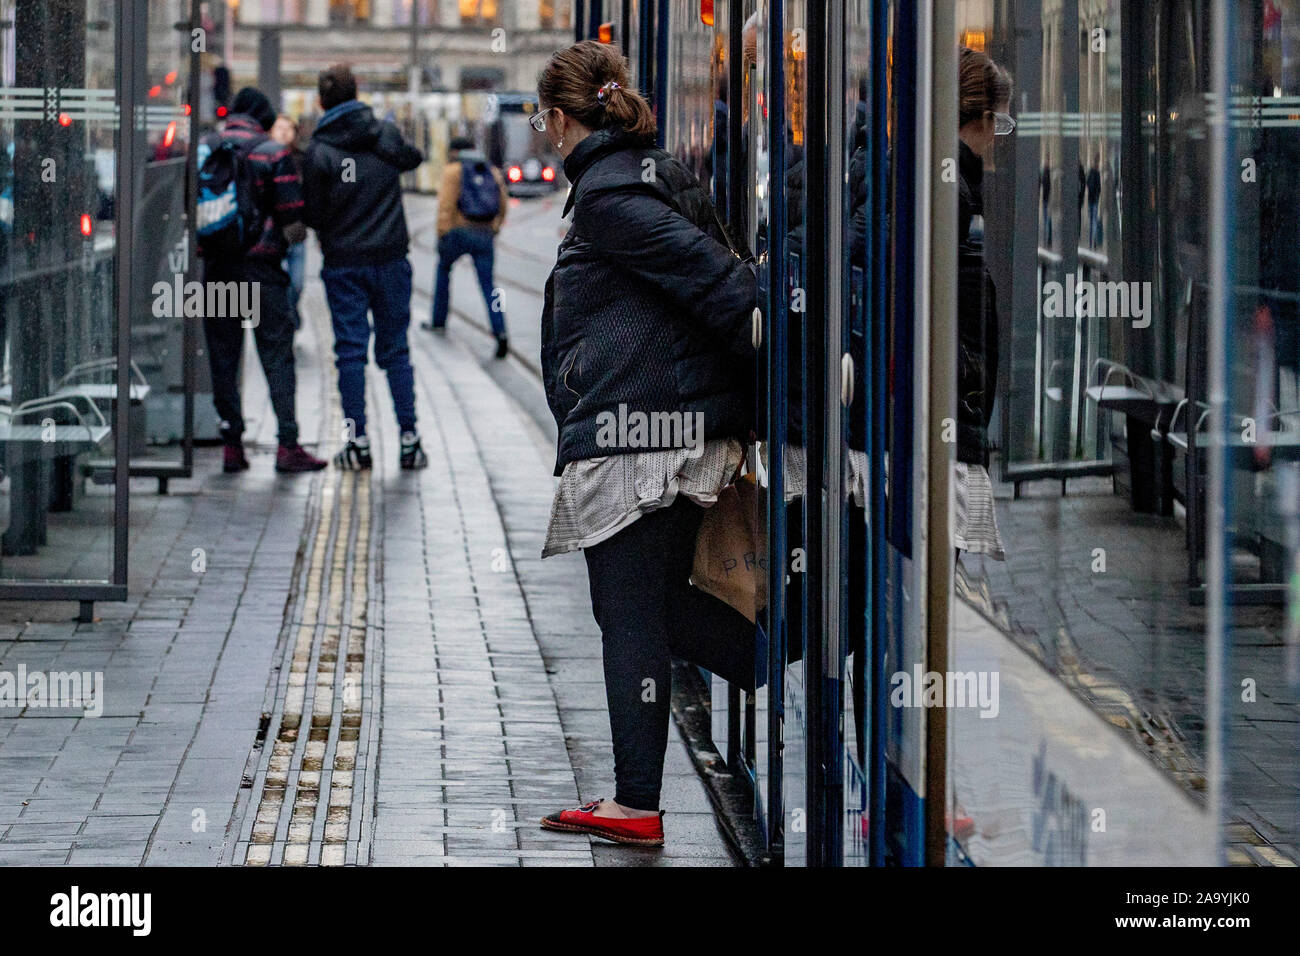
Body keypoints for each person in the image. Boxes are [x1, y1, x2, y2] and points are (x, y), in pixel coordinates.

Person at [534, 41, 758, 847]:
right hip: (660, 424)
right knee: (651, 610)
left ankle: (637, 807)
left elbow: (720, 283)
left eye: (542, 118)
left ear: (560, 117)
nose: (543, 131)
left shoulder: (610, 195)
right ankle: (786, 651)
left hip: (644, 437)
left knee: (628, 611)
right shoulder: (644, 176)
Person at [301, 64, 428, 471]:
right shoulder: (383, 135)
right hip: (391, 260)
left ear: (321, 102)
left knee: (350, 353)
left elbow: (313, 216)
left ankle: (357, 443)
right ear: (357, 93)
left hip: (344, 264)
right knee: (395, 351)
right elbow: (414, 158)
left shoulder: (318, 151)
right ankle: (409, 441)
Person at [197, 86, 326, 474]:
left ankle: (232, 446)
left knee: (223, 357)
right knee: (276, 355)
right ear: (262, 118)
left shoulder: (207, 148)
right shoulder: (273, 153)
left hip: (217, 270)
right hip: (262, 272)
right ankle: (288, 445)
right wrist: (287, 238)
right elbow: (294, 221)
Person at [955, 47, 1012, 560]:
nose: (999, 138)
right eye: (999, 121)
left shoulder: (954, 184)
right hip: (948, 418)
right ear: (983, 117)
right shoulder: (951, 191)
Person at [423, 135, 510, 358]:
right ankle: (500, 331)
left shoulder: (453, 170)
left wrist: (442, 234)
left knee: (443, 270)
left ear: (454, 152)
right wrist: (495, 228)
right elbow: (503, 204)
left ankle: (438, 321)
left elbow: (446, 205)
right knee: (489, 285)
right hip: (484, 233)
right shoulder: (490, 170)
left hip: (458, 232)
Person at [270, 114, 307, 330]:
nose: (284, 132)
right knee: (280, 284)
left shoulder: (302, 159)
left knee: (297, 283)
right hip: (273, 235)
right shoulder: (265, 157)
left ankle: (291, 312)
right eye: (279, 128)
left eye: (288, 128)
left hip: (297, 233)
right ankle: (287, 320)